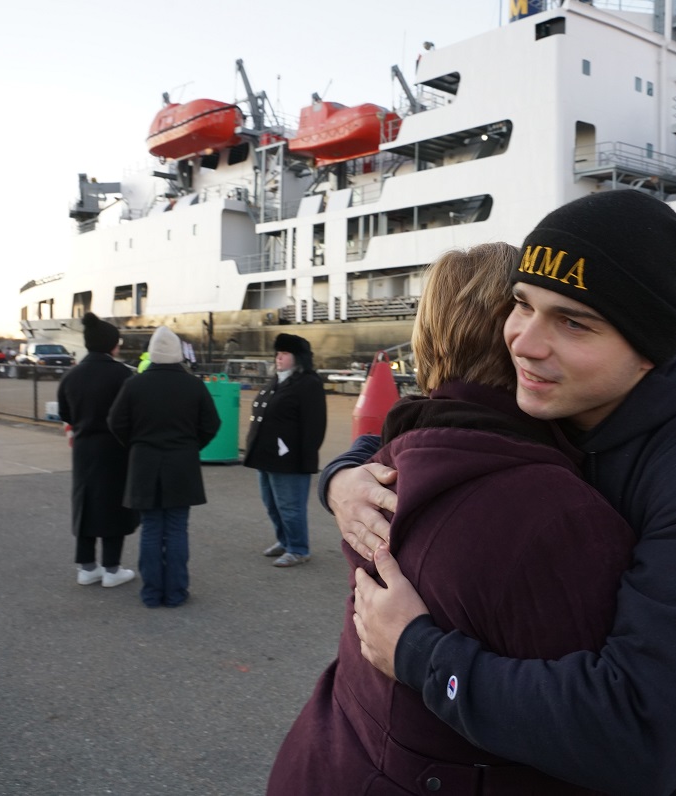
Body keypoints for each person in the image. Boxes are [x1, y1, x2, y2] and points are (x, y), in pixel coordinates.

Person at [327, 190, 676, 795]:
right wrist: (343, 479)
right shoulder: (564, 395)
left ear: (646, 352)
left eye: (573, 321)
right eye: (522, 305)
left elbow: (643, 737)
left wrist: (419, 654)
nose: (524, 342)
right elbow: (432, 419)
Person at [266, 243, 636, 795]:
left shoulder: (393, 460)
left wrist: (338, 476)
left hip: (328, 756)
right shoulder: (555, 512)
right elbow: (626, 737)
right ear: (519, 337)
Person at [108, 326, 220, 607]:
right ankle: (175, 592)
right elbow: (211, 424)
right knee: (176, 528)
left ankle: (151, 592)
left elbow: (115, 422)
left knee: (151, 528)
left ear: (153, 353)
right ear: (178, 354)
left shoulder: (134, 384)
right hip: (182, 465)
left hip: (144, 464)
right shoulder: (193, 385)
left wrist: (136, 444)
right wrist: (192, 446)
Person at [57, 312, 139, 588]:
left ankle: (87, 566)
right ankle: (112, 569)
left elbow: (65, 413)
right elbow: (132, 414)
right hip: (116, 449)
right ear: (111, 345)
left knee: (87, 504)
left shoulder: (71, 376)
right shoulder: (123, 375)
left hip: (83, 448)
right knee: (115, 506)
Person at [244, 334, 327, 567]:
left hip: (288, 459)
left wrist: (305, 457)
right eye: (277, 354)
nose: (278, 358)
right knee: (272, 504)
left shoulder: (308, 383)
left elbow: (314, 426)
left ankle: (299, 548)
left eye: (284, 354)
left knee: (290, 506)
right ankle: (285, 540)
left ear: (297, 357)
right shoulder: (278, 380)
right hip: (265, 456)